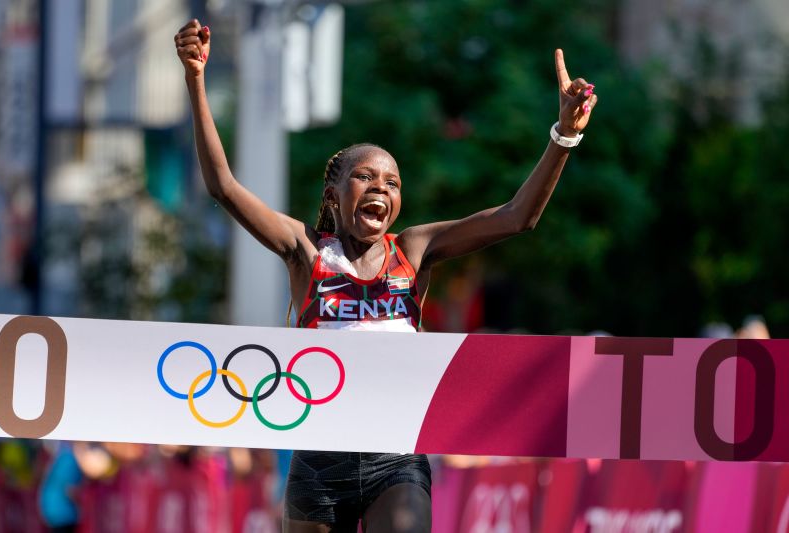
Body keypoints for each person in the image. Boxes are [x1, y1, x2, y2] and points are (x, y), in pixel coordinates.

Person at [174, 18, 597, 533]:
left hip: (395, 460)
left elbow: (517, 217)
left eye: (392, 182)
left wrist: (564, 136)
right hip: (319, 464)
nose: (381, 187)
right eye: (365, 176)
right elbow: (222, 186)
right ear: (334, 194)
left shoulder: (415, 249)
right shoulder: (305, 250)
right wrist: (196, 79)